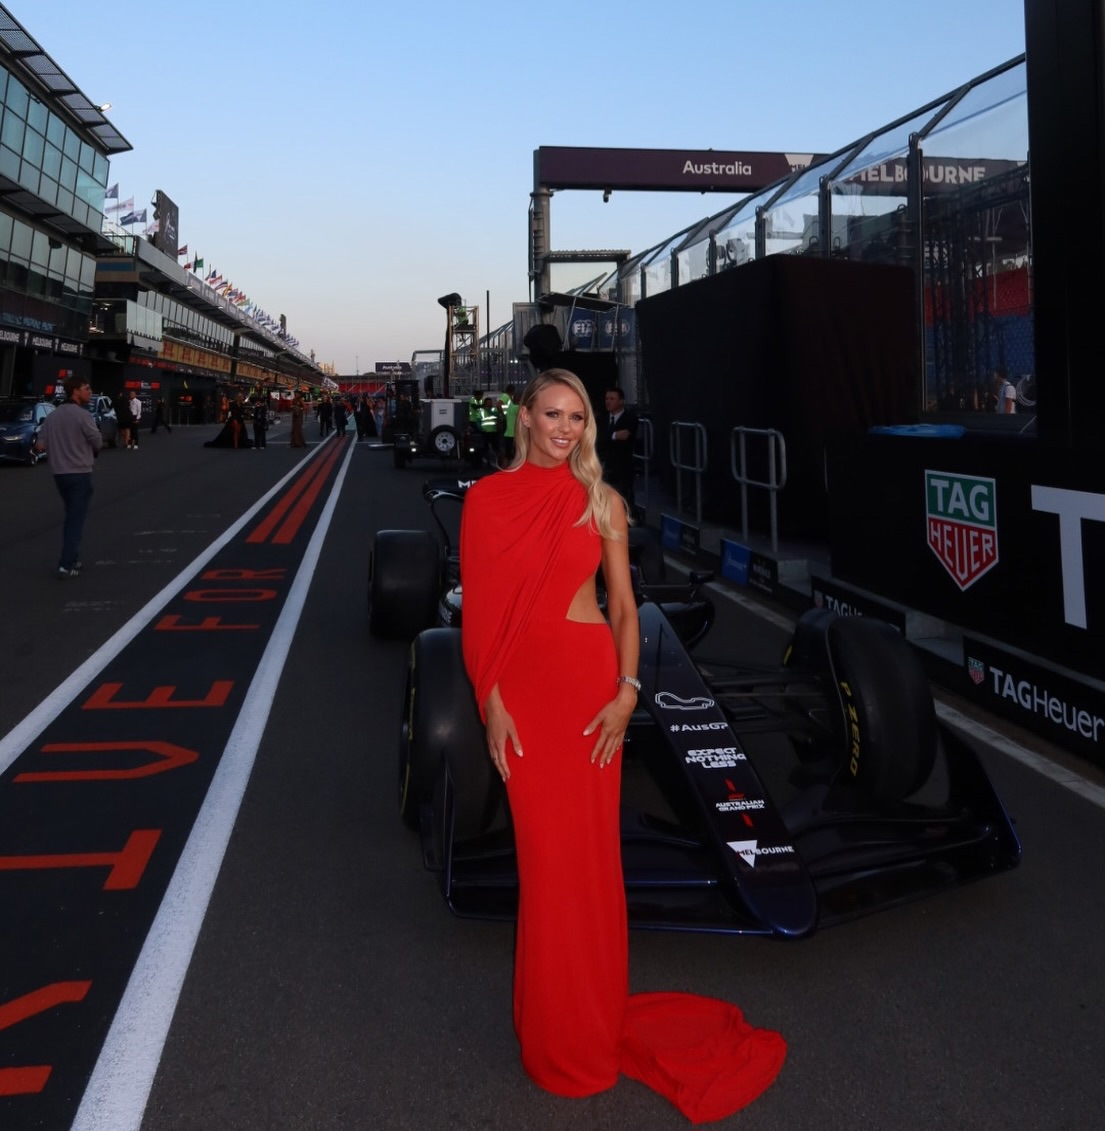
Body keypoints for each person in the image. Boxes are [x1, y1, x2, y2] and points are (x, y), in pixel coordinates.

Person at [459, 369, 785, 1123]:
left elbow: (626, 610)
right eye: (552, 413)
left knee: (587, 865)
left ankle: (587, 1022)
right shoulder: (486, 500)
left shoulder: (602, 503)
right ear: (524, 417)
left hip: (585, 693)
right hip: (522, 700)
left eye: (577, 416)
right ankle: (551, 1036)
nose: (566, 428)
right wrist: (491, 704)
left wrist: (627, 691)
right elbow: (479, 610)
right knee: (544, 867)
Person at [33, 374, 103, 579]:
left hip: (59, 474)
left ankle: (72, 557)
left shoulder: (53, 416)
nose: (90, 392)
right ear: (76, 391)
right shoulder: (83, 415)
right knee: (76, 519)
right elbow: (97, 440)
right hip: (80, 473)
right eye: (87, 388)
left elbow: (40, 445)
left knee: (72, 515)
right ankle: (65, 563)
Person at [596, 385, 638, 507]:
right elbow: (597, 438)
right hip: (603, 463)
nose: (608, 401)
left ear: (621, 401)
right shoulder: (601, 419)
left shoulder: (630, 418)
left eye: (612, 399)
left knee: (623, 497)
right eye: (606, 399)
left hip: (622, 465)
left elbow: (625, 438)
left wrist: (606, 437)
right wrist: (614, 435)